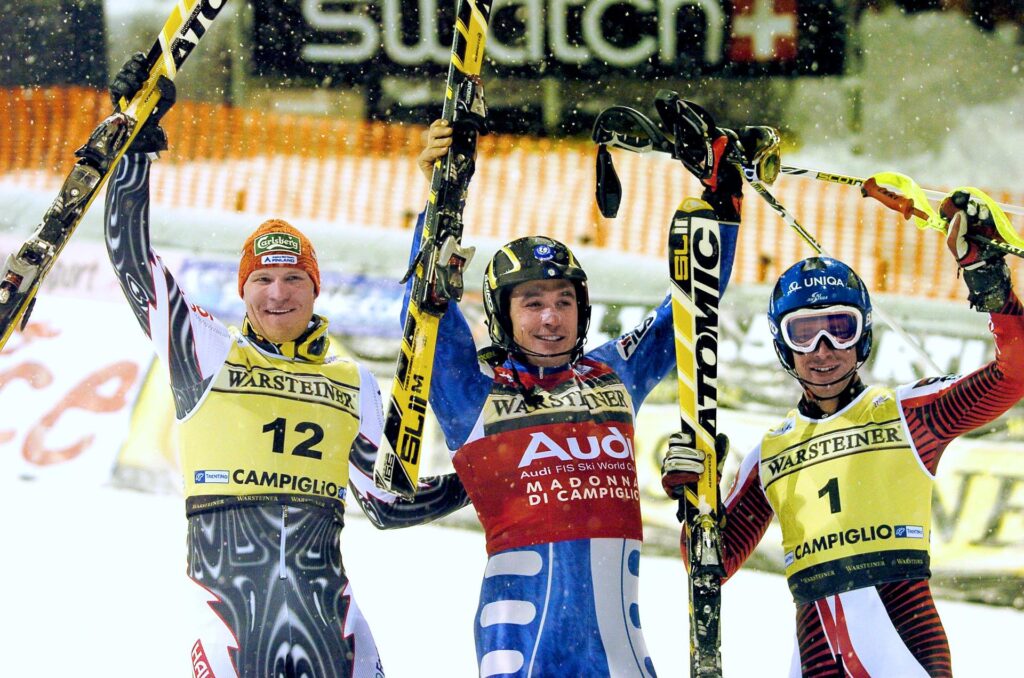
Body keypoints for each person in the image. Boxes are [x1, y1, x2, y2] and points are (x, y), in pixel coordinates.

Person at [102, 54, 468, 677]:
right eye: (263, 280)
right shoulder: (208, 351)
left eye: (294, 278)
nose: (278, 294)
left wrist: (483, 474)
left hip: (335, 628)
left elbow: (384, 505)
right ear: (242, 290)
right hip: (231, 626)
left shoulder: (353, 382)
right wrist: (134, 149)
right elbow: (133, 260)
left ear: (315, 288)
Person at [404, 119, 742, 677]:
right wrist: (437, 196)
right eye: (532, 303)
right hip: (523, 649)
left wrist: (722, 200)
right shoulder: (474, 395)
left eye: (564, 301)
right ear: (502, 314)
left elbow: (692, 307)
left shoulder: (612, 374)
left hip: (620, 655)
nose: (551, 317)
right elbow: (424, 319)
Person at [661, 179, 1024, 674]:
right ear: (783, 346)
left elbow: (1015, 374)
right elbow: (710, 567)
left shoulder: (910, 414)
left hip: (903, 655)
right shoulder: (769, 452)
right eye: (804, 334)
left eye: (841, 328)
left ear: (865, 334)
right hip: (812, 661)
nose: (824, 350)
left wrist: (992, 287)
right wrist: (696, 505)